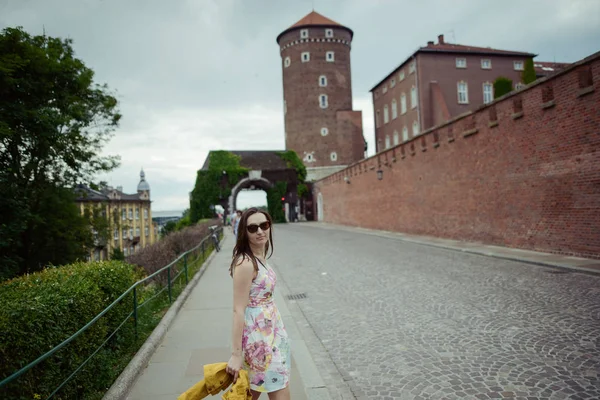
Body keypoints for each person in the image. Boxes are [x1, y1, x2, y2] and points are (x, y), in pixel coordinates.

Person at [226, 208, 291, 399]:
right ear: (244, 233)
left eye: (264, 225)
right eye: (253, 228)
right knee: (270, 390)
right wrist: (236, 354)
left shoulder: (260, 258)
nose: (260, 231)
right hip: (258, 341)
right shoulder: (245, 263)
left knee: (254, 392)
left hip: (272, 335)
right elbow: (238, 309)